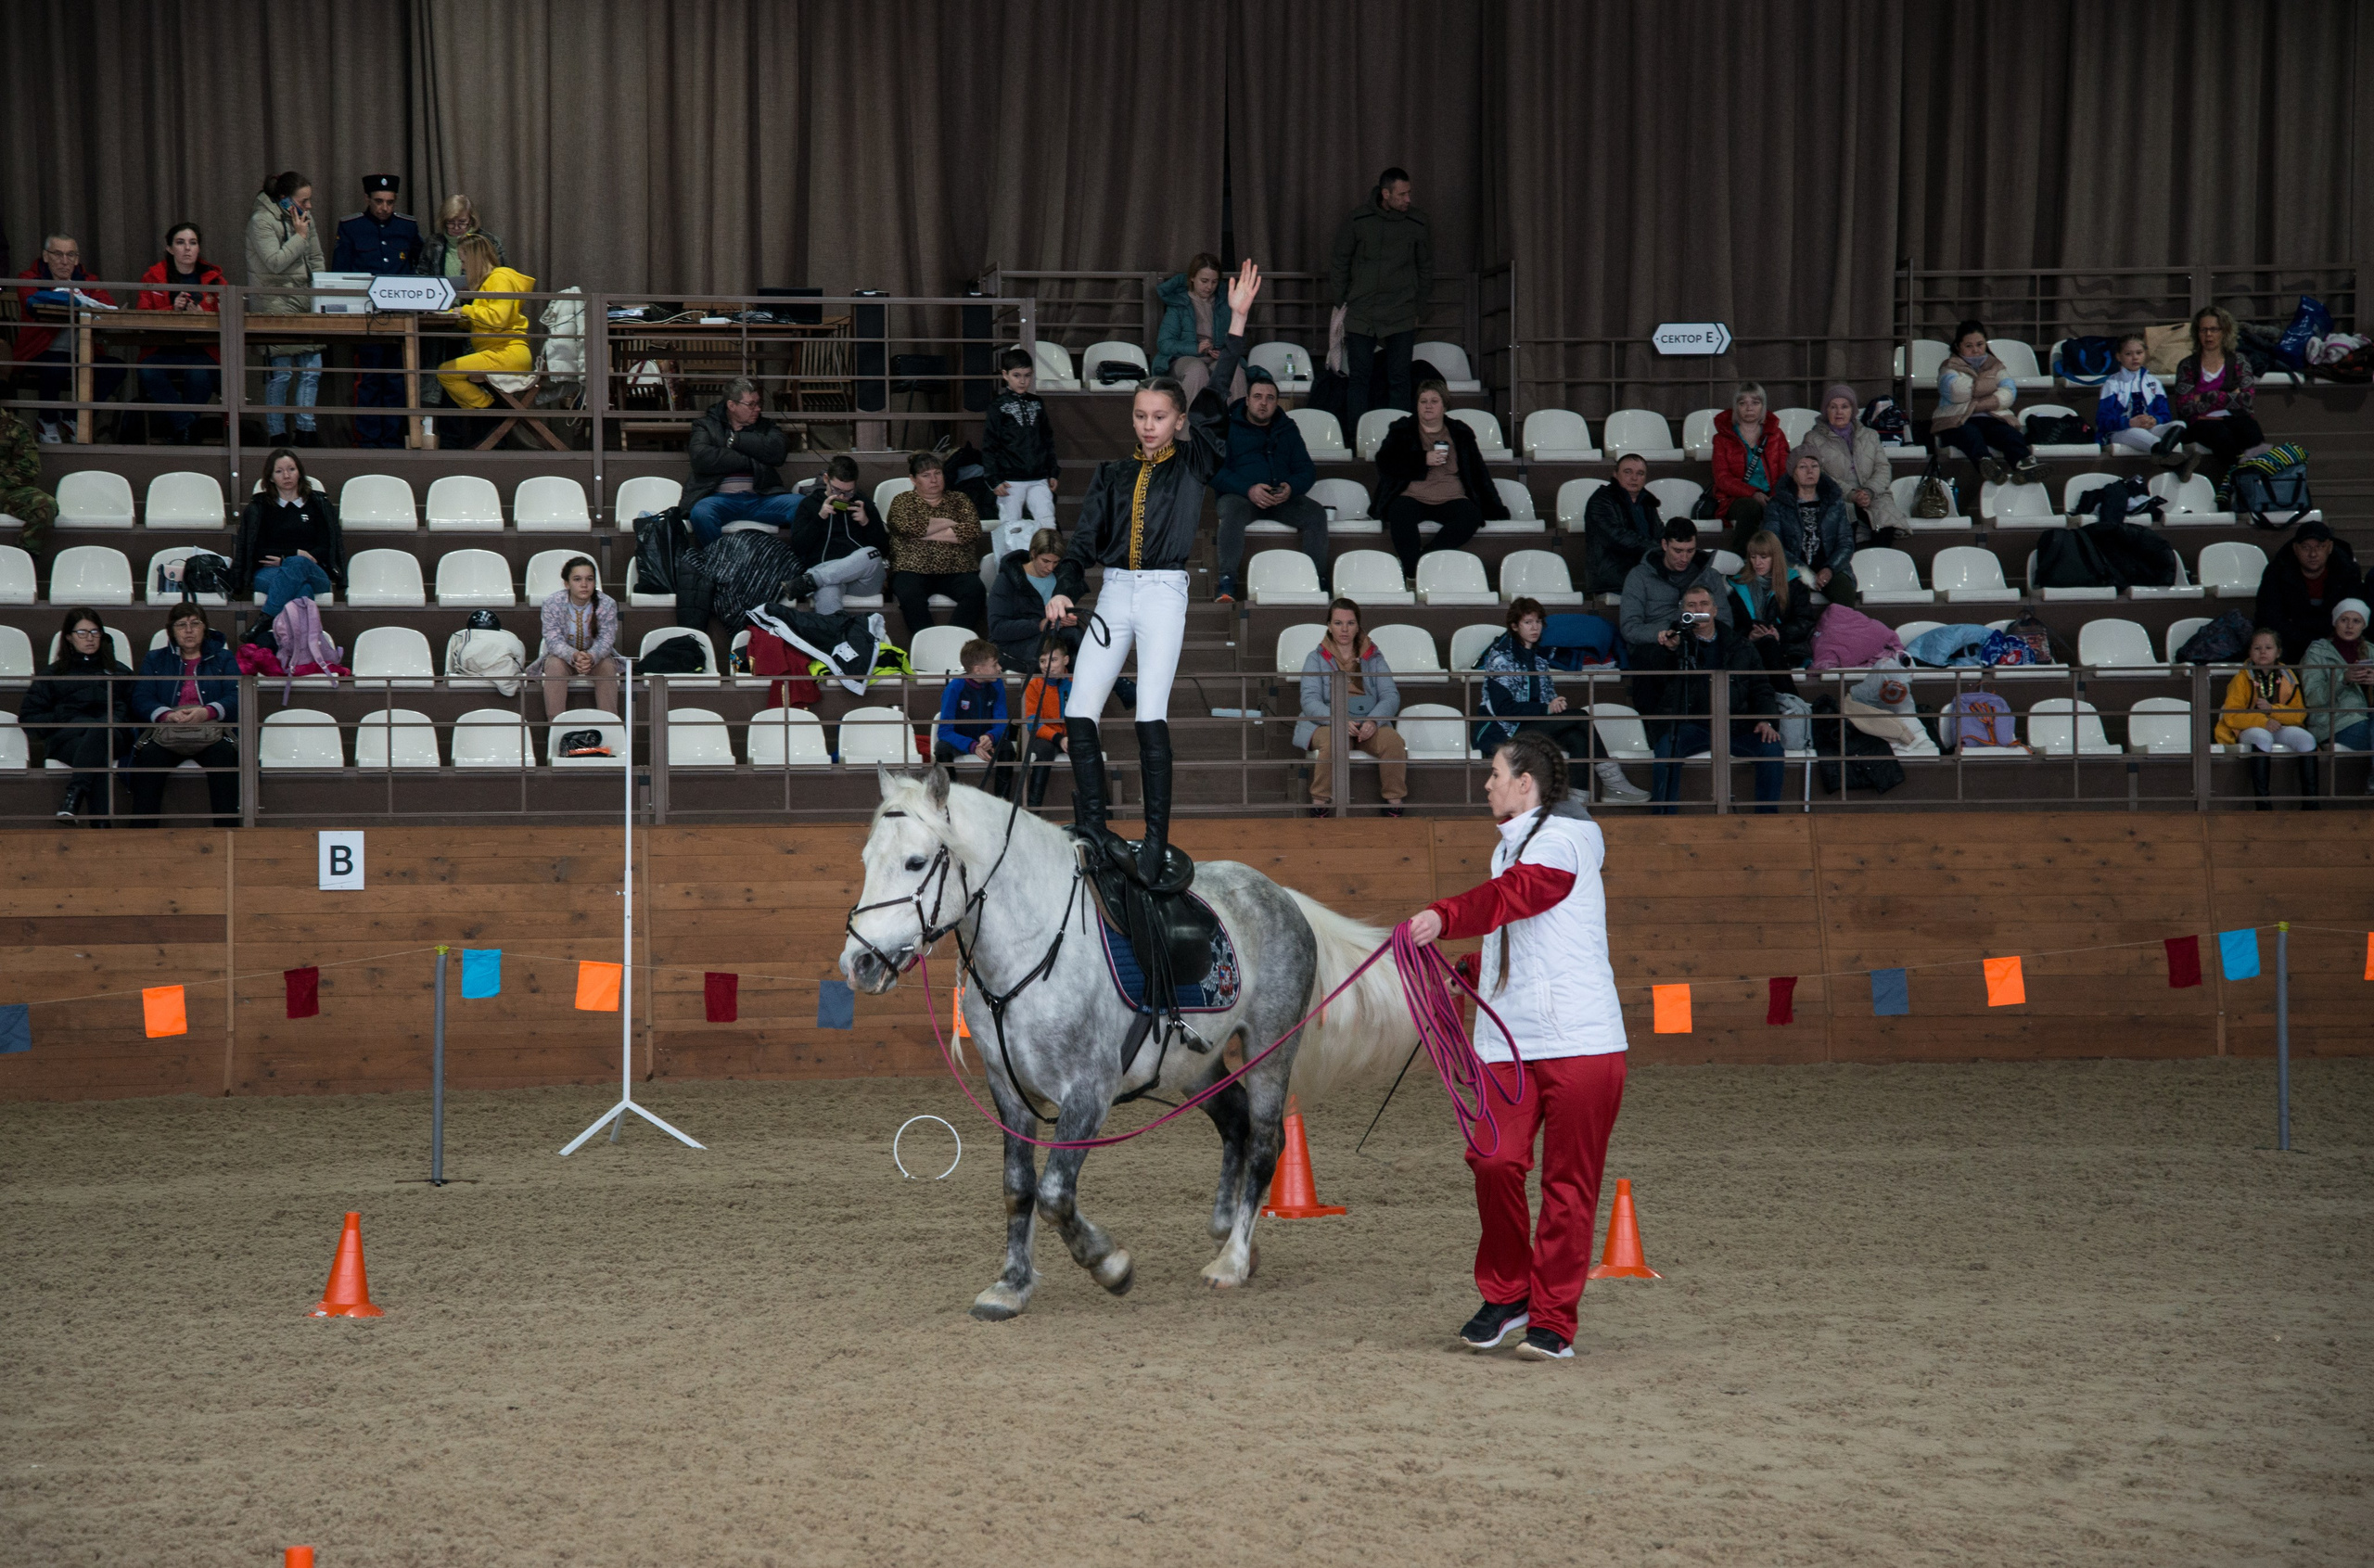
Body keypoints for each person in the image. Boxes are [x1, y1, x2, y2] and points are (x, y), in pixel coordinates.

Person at [1404, 729, 1627, 1364]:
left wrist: (1444, 916)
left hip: (1582, 1041)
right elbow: (1523, 928)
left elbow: (1516, 898)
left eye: (1494, 773)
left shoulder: (1564, 841)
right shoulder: (1515, 847)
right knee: (1493, 1158)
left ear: (1524, 784)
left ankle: (1554, 1317)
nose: (1487, 783)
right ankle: (1509, 1293)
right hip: (1511, 1040)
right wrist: (1475, 965)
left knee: (1567, 1185)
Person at [1045, 260, 1262, 882]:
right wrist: (1064, 590)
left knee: (1149, 713)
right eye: (1140, 416)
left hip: (1165, 592)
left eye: (1158, 416)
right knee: (1081, 707)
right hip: (1115, 593)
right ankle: (1092, 827)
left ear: (1176, 420)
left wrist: (1239, 320)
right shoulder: (1112, 475)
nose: (1146, 425)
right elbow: (1083, 542)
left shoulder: (1194, 461)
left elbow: (1218, 393)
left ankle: (1155, 839)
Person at [1473, 596, 1649, 804]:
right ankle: (1614, 783)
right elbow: (1504, 709)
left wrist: (1554, 704)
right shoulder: (1500, 658)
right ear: (1514, 626)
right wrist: (1546, 709)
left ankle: (1576, 804)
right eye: (1528, 622)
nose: (1535, 627)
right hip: (1503, 730)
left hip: (1530, 724)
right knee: (1581, 717)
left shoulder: (1539, 659)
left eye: (1538, 622)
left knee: (1577, 737)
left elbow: (1546, 696)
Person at [1634, 582, 1783, 814]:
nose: (1697, 610)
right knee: (1667, 748)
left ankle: (1766, 821)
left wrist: (1766, 719)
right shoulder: (1675, 642)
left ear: (1714, 610)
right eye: (1691, 606)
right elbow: (1656, 679)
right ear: (1683, 611)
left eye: (1703, 605)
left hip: (1738, 724)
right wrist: (1670, 650)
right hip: (1693, 725)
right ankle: (1662, 821)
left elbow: (1761, 687)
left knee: (1771, 749)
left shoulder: (1740, 645)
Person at [1330, 168, 1432, 429]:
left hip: (1401, 312)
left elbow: (1425, 268)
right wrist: (1342, 298)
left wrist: (1418, 306)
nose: (1408, 199)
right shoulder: (1358, 220)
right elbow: (1340, 260)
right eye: (1402, 194)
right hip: (1362, 312)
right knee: (1359, 379)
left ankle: (1398, 439)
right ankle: (1357, 437)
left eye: (1410, 193)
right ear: (1385, 194)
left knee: (1399, 378)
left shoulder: (1417, 223)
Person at [1214, 364, 1325, 602]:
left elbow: (1307, 470)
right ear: (1246, 400)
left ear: (1277, 403)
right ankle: (1227, 583)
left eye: (1269, 398)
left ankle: (1317, 579)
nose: (1263, 403)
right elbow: (1214, 472)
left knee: (1316, 513)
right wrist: (1248, 489)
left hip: (1281, 499)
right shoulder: (1228, 427)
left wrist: (1291, 488)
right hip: (1242, 497)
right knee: (1231, 511)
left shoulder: (1288, 429)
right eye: (1257, 397)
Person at [1375, 378, 1505, 577]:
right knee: (1399, 512)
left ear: (1444, 405)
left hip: (1452, 496)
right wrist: (1422, 459)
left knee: (1471, 516)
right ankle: (1413, 573)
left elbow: (1478, 471)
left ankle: (1422, 562)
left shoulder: (1460, 432)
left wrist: (1494, 506)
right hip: (1413, 495)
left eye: (1434, 401)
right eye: (1423, 401)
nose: (1428, 406)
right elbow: (1385, 462)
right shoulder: (1402, 429)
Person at [127, 602, 241, 827]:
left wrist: (207, 711)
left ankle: (229, 836)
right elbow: (141, 697)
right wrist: (166, 715)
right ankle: (141, 837)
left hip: (211, 730)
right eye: (181, 625)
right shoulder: (155, 659)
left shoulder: (224, 658)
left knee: (226, 757)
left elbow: (236, 695)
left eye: (194, 624)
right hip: (167, 731)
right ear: (171, 631)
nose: (188, 630)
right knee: (148, 758)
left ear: (204, 628)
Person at [332, 176, 425, 449]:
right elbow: (341, 272)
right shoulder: (352, 227)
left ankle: (394, 440)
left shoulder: (407, 227)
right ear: (367, 199)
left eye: (390, 202)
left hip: (401, 317)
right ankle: (368, 441)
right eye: (379, 201)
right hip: (367, 318)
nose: (385, 208)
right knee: (369, 380)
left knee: (398, 381)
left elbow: (419, 266)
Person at [1297, 598, 1408, 817]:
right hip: (1327, 723)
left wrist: (1373, 721)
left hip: (1367, 720)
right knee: (1334, 741)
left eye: (1350, 623)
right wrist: (1337, 720)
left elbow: (1390, 695)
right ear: (1329, 626)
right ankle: (1320, 803)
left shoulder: (1374, 656)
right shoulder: (1315, 658)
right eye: (1338, 623)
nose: (1344, 629)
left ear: (1358, 626)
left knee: (1393, 742)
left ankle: (1394, 804)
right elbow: (1309, 701)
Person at [19, 606, 130, 821]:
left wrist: (111, 721)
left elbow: (129, 711)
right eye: (82, 633)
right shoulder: (53, 674)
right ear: (69, 637)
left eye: (95, 632)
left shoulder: (119, 672)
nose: (89, 638)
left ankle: (74, 796)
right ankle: (102, 830)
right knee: (97, 758)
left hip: (112, 735)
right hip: (68, 739)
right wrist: (63, 717)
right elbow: (29, 718)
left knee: (100, 731)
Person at [13, 233, 125, 442]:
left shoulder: (89, 281)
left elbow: (108, 305)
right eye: (58, 254)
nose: (65, 261)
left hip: (81, 354)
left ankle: (74, 418)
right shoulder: (29, 278)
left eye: (70, 255)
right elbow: (31, 301)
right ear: (46, 256)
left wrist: (79, 299)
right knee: (56, 365)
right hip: (41, 352)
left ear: (77, 258)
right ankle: (46, 421)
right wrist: (71, 298)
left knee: (116, 368)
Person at [245, 172, 327, 446]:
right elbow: (274, 261)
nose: (309, 207)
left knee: (312, 370)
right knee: (281, 375)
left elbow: (315, 258)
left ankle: (306, 430)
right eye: (304, 201)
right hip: (274, 306)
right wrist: (299, 237)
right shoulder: (261, 221)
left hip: (306, 303)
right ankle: (277, 433)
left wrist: (321, 292)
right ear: (284, 199)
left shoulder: (305, 219)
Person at [434, 235, 535, 440]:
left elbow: (497, 318)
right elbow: (486, 319)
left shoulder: (500, 278)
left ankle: (490, 413)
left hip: (507, 353)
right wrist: (457, 315)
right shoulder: (489, 282)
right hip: (499, 351)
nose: (462, 268)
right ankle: (491, 417)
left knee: (447, 372)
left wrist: (466, 311)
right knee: (449, 372)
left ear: (473, 259)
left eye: (463, 261)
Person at [134, 223, 227, 444]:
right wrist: (172, 310)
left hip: (203, 352)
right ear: (169, 248)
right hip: (164, 350)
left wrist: (203, 315)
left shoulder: (215, 279)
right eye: (180, 242)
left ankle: (183, 432)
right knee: (146, 370)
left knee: (199, 374)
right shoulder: (153, 277)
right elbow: (142, 316)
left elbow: (228, 317)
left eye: (193, 243)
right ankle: (186, 425)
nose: (187, 248)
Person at [887, 451, 989, 640]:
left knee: (975, 591)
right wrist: (951, 521)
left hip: (958, 569)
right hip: (912, 569)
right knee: (909, 593)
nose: (934, 480)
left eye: (938, 473)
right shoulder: (902, 501)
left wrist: (924, 533)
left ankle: (953, 642)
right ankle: (928, 643)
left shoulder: (960, 499)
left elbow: (972, 530)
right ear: (913, 479)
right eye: (926, 475)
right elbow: (907, 527)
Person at [232, 448, 345, 616]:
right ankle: (302, 640)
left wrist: (291, 559)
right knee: (302, 587)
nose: (286, 475)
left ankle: (266, 619)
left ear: (299, 472)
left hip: (314, 571)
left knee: (299, 564)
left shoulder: (318, 504)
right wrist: (294, 555)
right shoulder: (260, 508)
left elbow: (327, 546)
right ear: (270, 477)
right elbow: (257, 550)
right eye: (279, 471)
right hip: (269, 573)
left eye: (291, 469)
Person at [684, 377, 798, 543]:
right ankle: (717, 563)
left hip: (761, 497)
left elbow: (778, 451)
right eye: (751, 404)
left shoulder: (765, 426)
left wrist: (735, 441)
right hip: (720, 498)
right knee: (701, 512)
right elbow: (701, 458)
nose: (757, 409)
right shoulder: (706, 425)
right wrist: (752, 458)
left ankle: (797, 565)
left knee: (802, 506)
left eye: (759, 403)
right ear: (732, 405)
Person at [1931, 319, 2041, 486]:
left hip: (1992, 418)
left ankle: (2024, 465)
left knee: (2010, 435)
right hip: (1958, 420)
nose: (1975, 350)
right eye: (1969, 346)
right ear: (1958, 346)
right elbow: (1956, 392)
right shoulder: (1948, 367)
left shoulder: (1996, 365)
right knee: (1970, 435)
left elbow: (2010, 392)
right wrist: (1991, 387)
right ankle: (1987, 465)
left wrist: (1977, 399)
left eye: (1980, 344)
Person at [2217, 627, 2317, 810]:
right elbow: (2232, 715)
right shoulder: (2241, 677)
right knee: (2262, 737)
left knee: (2306, 739)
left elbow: (2299, 714)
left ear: (2278, 652)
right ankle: (2263, 803)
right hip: (2248, 728)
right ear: (2249, 652)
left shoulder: (2288, 675)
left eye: (2268, 648)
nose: (2263, 652)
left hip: (2279, 725)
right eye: (2257, 648)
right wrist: (2263, 721)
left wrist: (2273, 710)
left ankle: (2311, 802)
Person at [1797, 384, 1907, 541]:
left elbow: (1882, 467)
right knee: (1845, 528)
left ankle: (1876, 563)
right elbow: (1818, 474)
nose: (1839, 412)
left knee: (1885, 524)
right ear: (1826, 411)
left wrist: (1868, 491)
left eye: (1844, 407)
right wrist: (1851, 494)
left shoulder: (1870, 435)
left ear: (1853, 410)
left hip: (1872, 494)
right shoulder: (1812, 439)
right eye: (1833, 407)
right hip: (1837, 496)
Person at [2171, 305, 2266, 484]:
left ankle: (2255, 485)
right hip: (2201, 423)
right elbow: (2185, 407)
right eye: (2203, 330)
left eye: (2214, 329)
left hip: (2236, 418)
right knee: (2222, 436)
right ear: (2197, 333)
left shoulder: (2239, 361)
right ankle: (2237, 483)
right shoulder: (2187, 365)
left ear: (2225, 331)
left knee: (2253, 433)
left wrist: (2207, 396)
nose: (2208, 335)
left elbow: (2246, 401)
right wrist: (2229, 396)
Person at [784, 453, 889, 612]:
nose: (842, 497)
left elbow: (884, 550)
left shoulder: (863, 503)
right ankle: (836, 635)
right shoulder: (809, 504)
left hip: (860, 580)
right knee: (828, 594)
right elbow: (799, 548)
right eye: (837, 490)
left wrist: (867, 523)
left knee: (871, 554)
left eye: (849, 492)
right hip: (827, 573)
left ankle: (811, 581)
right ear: (826, 479)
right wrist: (820, 518)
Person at [1619, 516, 1733, 663]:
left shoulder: (1710, 576)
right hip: (1656, 645)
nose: (1684, 558)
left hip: (1701, 642)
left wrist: (1691, 633)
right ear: (1665, 545)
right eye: (1678, 551)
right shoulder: (1639, 576)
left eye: (1690, 551)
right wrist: (1666, 634)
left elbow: (1724, 621)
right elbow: (1630, 627)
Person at [2254, 518, 2364, 665]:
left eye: (2319, 547)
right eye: (2306, 547)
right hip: (2290, 642)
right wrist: (2310, 641)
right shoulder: (2277, 571)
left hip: (2335, 639)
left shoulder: (2348, 572)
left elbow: (2354, 613)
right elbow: (2270, 617)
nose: (2313, 554)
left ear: (2330, 547)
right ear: (2295, 549)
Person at [1760, 450, 1859, 606]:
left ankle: (1841, 631)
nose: (1810, 471)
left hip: (1831, 567)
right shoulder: (1777, 504)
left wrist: (1829, 569)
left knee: (1844, 593)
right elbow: (1773, 544)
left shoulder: (1835, 502)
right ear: (1792, 473)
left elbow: (1846, 543)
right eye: (1802, 467)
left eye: (1814, 466)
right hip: (1793, 569)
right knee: (1794, 597)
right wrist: (1804, 573)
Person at [982, 349, 1060, 539]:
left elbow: (1047, 439)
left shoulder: (1037, 403)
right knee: (1010, 528)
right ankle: (1008, 567)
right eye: (1017, 376)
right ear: (1005, 375)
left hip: (1039, 477)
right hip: (1010, 481)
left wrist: (1052, 471)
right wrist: (993, 479)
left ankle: (1047, 567)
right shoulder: (998, 406)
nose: (1022, 381)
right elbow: (990, 444)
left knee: (1047, 523)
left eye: (1027, 376)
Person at [1728, 529, 1819, 686]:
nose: (1757, 563)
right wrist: (1749, 636)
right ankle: (1791, 701)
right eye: (1753, 557)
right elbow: (1731, 625)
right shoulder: (1737, 585)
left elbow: (1805, 621)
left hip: (1786, 649)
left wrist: (1779, 634)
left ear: (1775, 558)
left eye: (1764, 557)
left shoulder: (1795, 585)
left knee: (1769, 643)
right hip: (1748, 647)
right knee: (1765, 645)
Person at [1155, 253, 1244, 408]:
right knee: (1196, 371)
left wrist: (1224, 351)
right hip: (1184, 358)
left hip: (1215, 358)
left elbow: (1236, 336)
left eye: (1214, 282)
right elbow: (1164, 343)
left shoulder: (1224, 304)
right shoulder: (1179, 303)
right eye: (1204, 281)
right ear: (1192, 278)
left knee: (1234, 371)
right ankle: (1189, 431)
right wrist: (1195, 348)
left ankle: (1237, 428)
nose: (1209, 287)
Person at [538, 555, 619, 720]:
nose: (584, 584)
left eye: (589, 579)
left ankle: (610, 726)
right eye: (577, 579)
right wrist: (574, 655)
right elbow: (553, 640)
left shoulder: (607, 603)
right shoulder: (552, 603)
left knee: (608, 667)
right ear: (567, 584)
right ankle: (557, 728)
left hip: (597, 658)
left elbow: (607, 639)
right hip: (562, 657)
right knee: (554, 665)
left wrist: (590, 656)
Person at [2300, 600, 2373, 786]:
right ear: (2335, 622)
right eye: (2344, 620)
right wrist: (2343, 679)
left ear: (2364, 625)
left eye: (2356, 621)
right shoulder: (2317, 652)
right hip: (2334, 723)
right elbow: (2312, 697)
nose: (2350, 626)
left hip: (2367, 719)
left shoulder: (2371, 651)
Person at [988, 528, 1076, 672]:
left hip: (1053, 638)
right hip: (1015, 643)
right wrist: (1039, 625)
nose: (1050, 568)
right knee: (1049, 655)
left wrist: (1069, 620)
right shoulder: (1007, 580)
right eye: (1045, 561)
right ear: (1033, 554)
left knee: (1081, 644)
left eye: (1056, 562)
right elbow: (997, 628)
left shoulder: (1061, 579)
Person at [932, 639, 1015, 795]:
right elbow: (944, 732)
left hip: (987, 741)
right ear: (978, 670)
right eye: (995, 664)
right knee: (942, 748)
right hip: (962, 742)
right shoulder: (954, 688)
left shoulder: (997, 684)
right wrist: (972, 745)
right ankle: (951, 799)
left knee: (1007, 747)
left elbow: (1002, 724)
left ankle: (1002, 802)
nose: (1000, 668)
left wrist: (991, 736)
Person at [1709, 383, 1789, 541]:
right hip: (1736, 498)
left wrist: (1774, 496)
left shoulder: (1776, 435)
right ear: (1736, 407)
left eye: (1755, 403)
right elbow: (1722, 478)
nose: (1749, 408)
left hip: (1772, 495)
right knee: (1750, 507)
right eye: (1742, 403)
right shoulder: (1722, 438)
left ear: (1763, 406)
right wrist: (1753, 493)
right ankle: (1744, 558)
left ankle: (1786, 560)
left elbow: (1785, 472)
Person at [2093, 334, 2187, 463]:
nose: (2135, 357)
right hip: (2121, 431)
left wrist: (2155, 420)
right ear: (2118, 356)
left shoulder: (2154, 382)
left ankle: (2162, 456)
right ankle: (2176, 462)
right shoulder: (2112, 383)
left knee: (2179, 425)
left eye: (2139, 353)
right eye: (2128, 354)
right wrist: (2129, 423)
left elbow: (2165, 415)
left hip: (2150, 428)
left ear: (2145, 354)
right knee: (2137, 433)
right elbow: (2102, 420)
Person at [1581, 453, 1663, 596]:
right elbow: (1616, 537)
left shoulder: (1648, 503)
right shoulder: (1600, 500)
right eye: (1627, 472)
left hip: (1645, 575)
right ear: (1615, 474)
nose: (1634, 478)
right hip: (1613, 579)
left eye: (1640, 473)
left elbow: (1661, 534)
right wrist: (1659, 548)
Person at [1017, 636, 1076, 809]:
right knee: (1044, 751)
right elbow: (1032, 723)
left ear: (1066, 660)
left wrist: (1072, 737)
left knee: (1086, 750)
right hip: (1046, 737)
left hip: (1072, 734)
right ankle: (1033, 810)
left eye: (1053, 660)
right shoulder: (1034, 685)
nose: (1047, 665)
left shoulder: (1076, 682)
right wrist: (1059, 738)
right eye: (1043, 661)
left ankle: (1102, 813)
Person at [0, 407, 58, 550]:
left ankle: (24, 559)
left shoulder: (16, 427)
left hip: (7, 491)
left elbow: (28, 469)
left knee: (45, 505)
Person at [416, 194, 504, 279]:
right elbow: (422, 276)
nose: (456, 227)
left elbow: (500, 275)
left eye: (462, 222)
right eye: (451, 222)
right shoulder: (433, 243)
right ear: (443, 221)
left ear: (471, 220)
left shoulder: (489, 242)